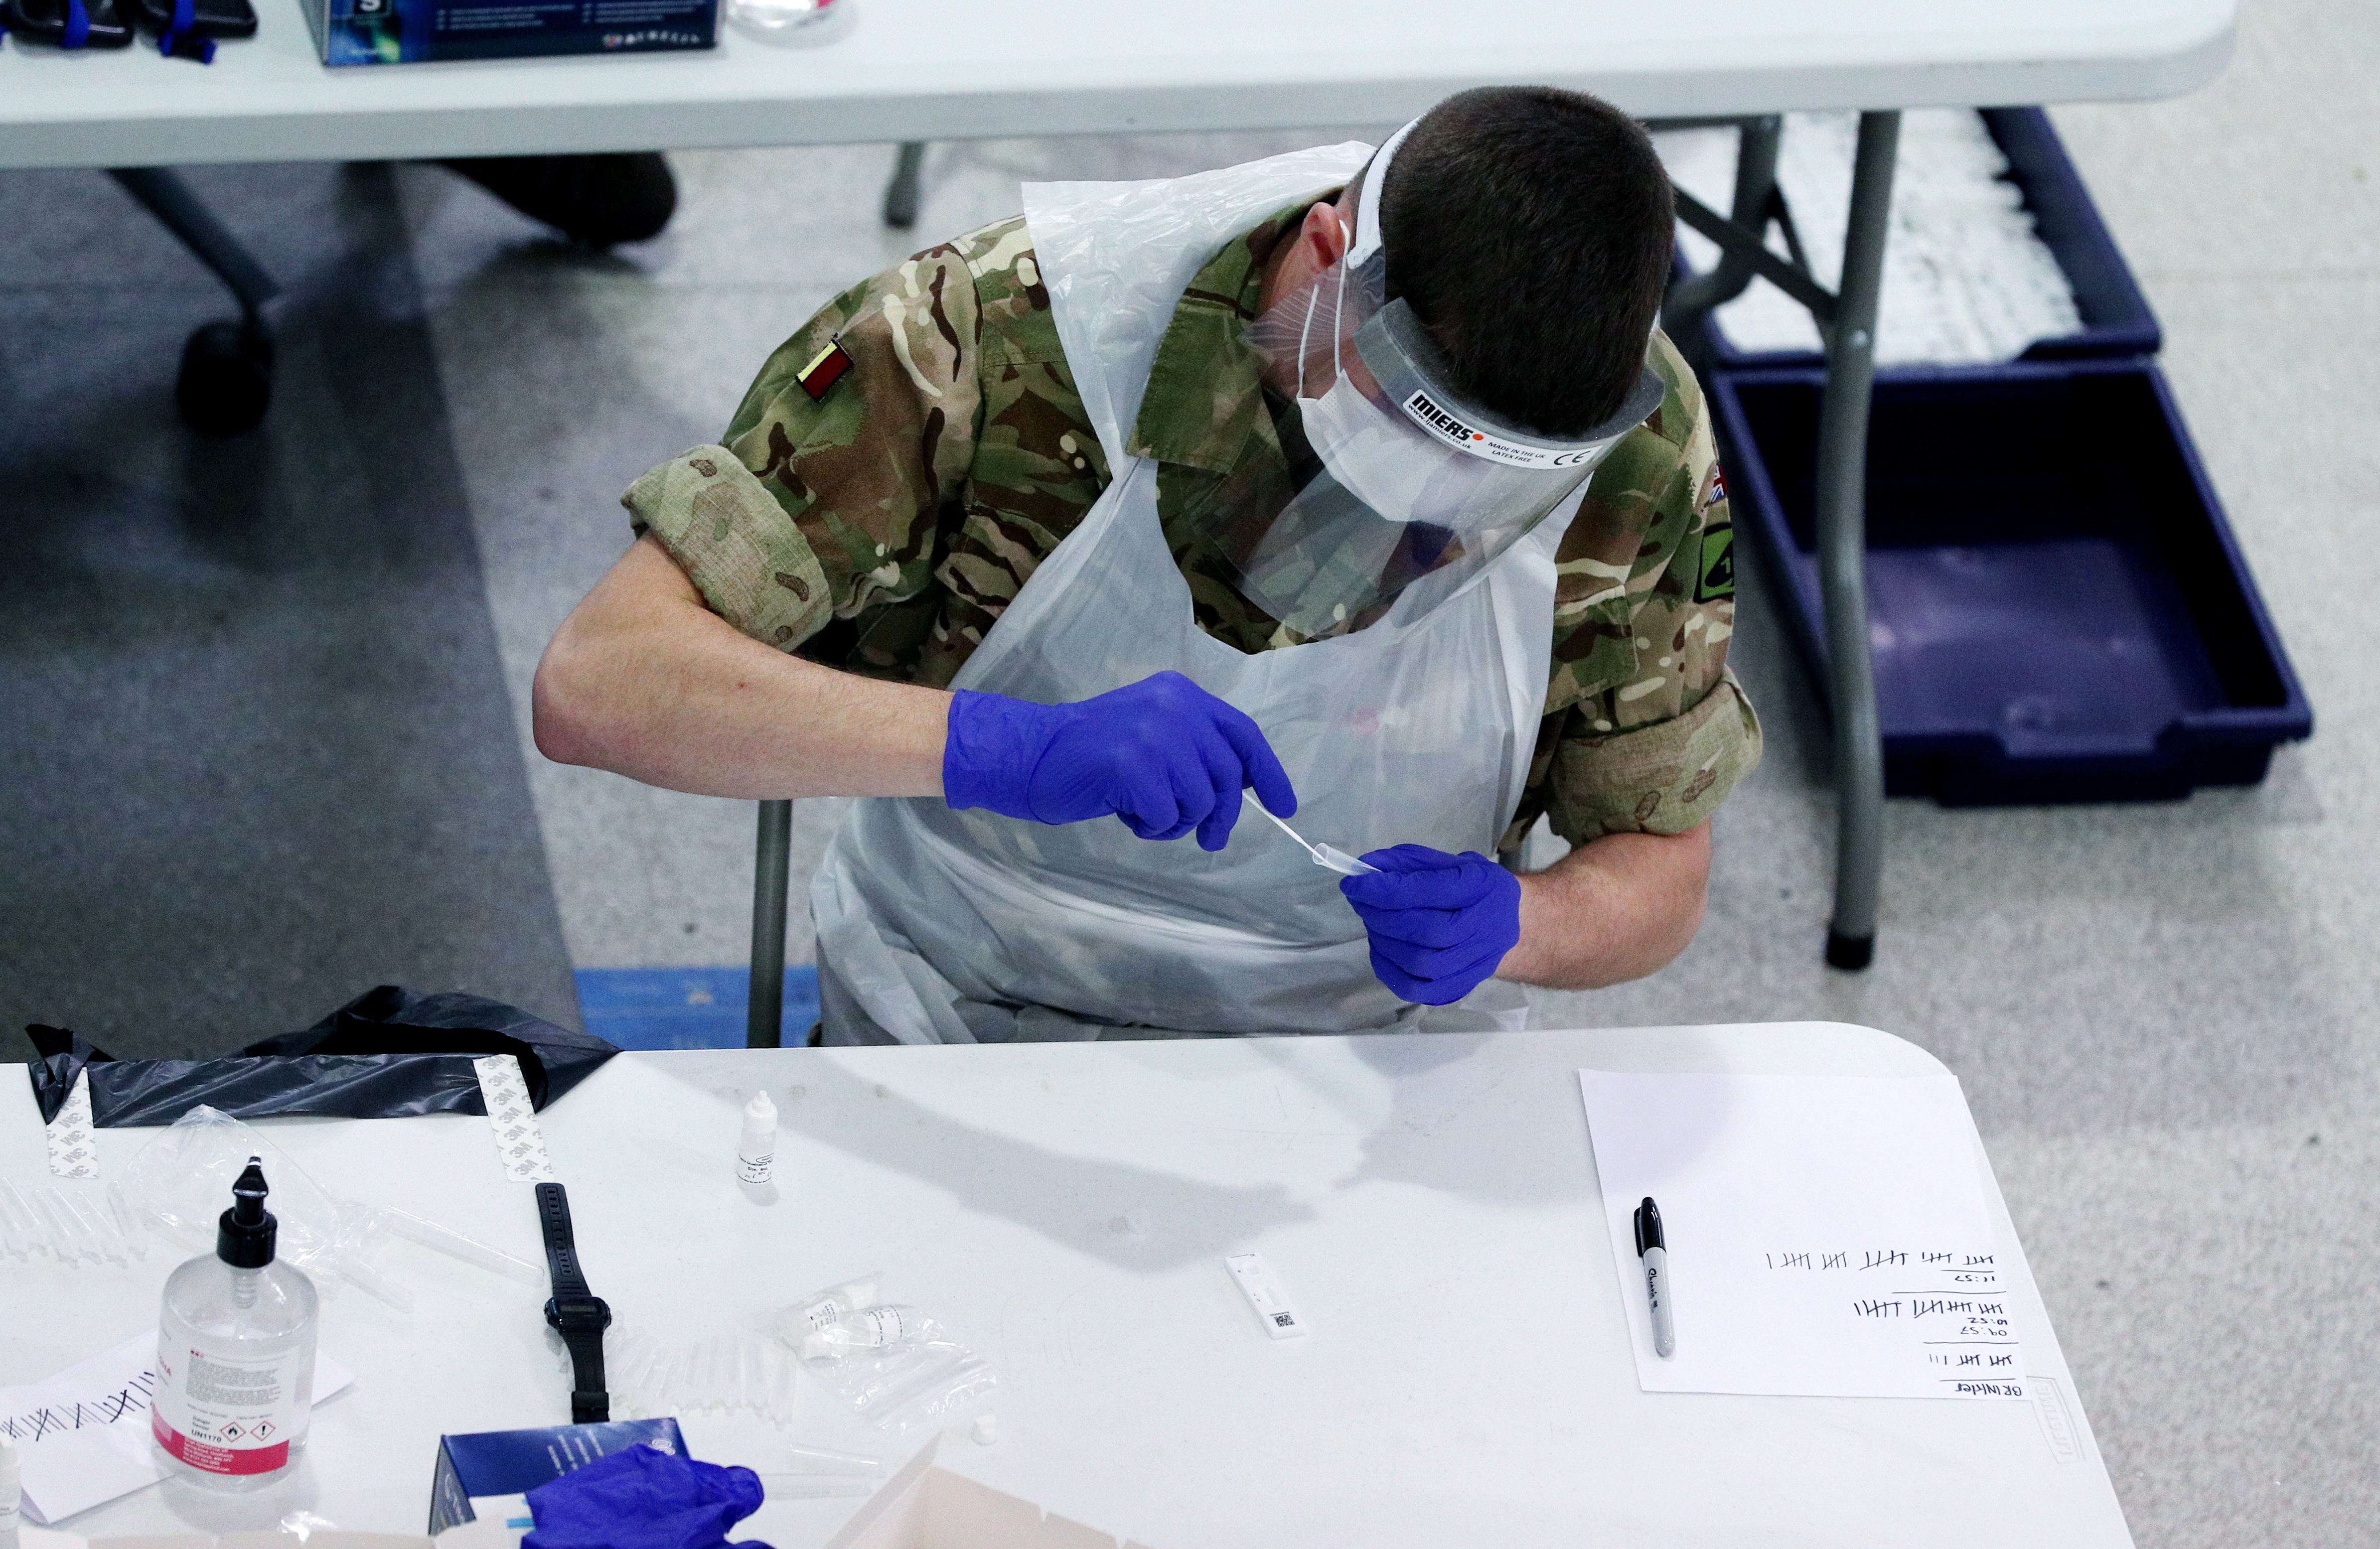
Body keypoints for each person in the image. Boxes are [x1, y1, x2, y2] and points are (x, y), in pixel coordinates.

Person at [533, 86, 1762, 1045]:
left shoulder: (1639, 456)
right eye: (1409, 419)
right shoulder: (999, 336)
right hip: (963, 1008)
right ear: (1331, 256)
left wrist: (1528, 927)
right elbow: (599, 684)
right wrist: (1003, 750)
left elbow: (1661, 870)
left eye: (1494, 482)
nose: (1432, 501)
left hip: (1362, 1061)